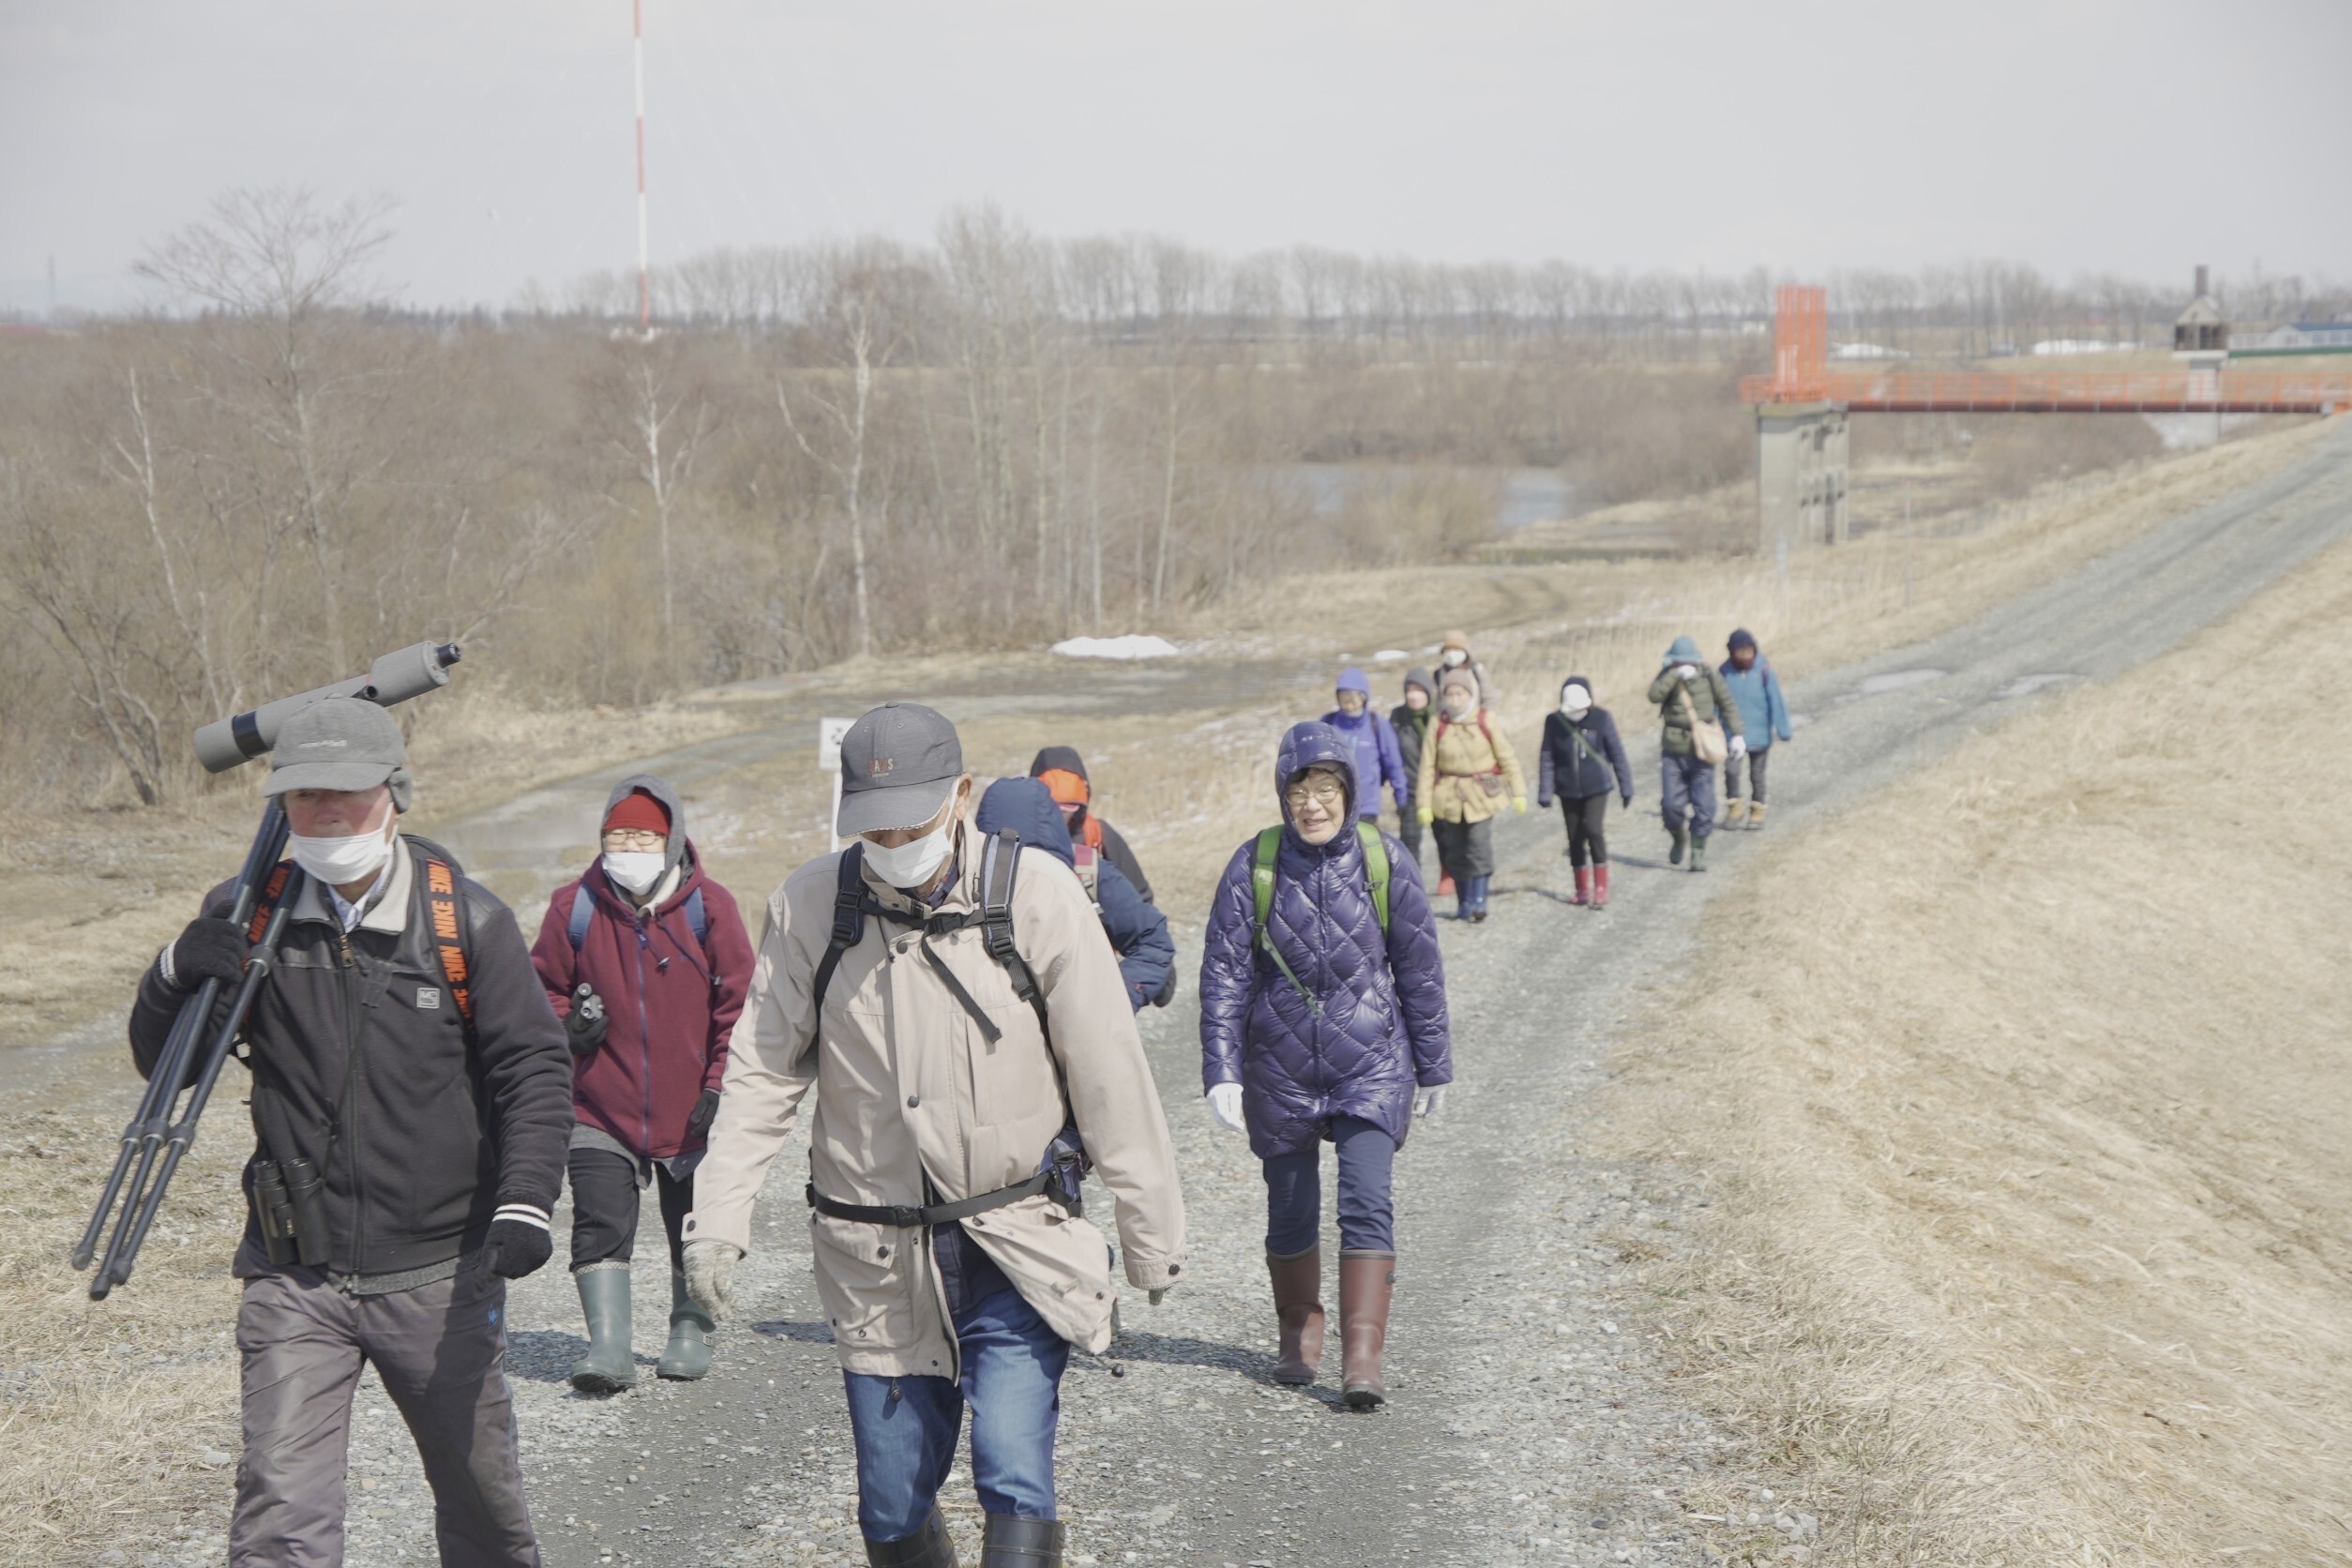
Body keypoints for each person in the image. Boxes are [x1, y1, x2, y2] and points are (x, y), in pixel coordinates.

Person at [682, 703, 1188, 1568]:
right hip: (875, 1255)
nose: (891, 841)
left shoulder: (1036, 895)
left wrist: (1152, 1236)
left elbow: (1111, 1074)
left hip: (1015, 1240)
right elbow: (761, 1073)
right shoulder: (812, 905)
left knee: (1014, 1472)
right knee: (889, 1501)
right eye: (871, 827)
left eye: (910, 822)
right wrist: (717, 1220)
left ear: (960, 795)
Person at [130, 698, 569, 1568]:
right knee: (279, 1519)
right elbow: (169, 1068)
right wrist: (175, 971)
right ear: (280, 805)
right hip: (294, 1273)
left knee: (482, 1510)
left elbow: (535, 1069)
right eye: (304, 797)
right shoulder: (248, 913)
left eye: (348, 795)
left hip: (441, 1273)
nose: (326, 814)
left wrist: (525, 1202)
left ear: (395, 795)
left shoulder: (465, 922)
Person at [1198, 721, 1451, 1410]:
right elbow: (1224, 973)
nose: (1314, 804)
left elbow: (1420, 972)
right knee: (1291, 1213)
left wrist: (1433, 1067)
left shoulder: (1384, 860)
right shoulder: (1255, 864)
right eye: (1301, 790)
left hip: (1371, 1062)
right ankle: (1296, 1338)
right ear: (1284, 796)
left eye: (1327, 788)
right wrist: (1221, 1069)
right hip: (1278, 1069)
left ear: (1349, 791)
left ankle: (1362, 1358)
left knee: (1367, 1203)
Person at [529, 776, 756, 1392]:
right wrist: (568, 1027)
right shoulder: (571, 907)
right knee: (599, 1220)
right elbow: (539, 988)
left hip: (692, 1111)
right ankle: (610, 1345)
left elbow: (740, 1005)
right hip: (599, 1105)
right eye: (616, 836)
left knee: (694, 1223)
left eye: (642, 837)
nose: (627, 848)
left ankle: (690, 1329)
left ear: (671, 839)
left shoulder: (713, 908)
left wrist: (718, 1084)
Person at [975, 776, 1174, 1012]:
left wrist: (1116, 1000)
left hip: (1086, 1029)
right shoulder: (964, 880)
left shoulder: (1087, 870)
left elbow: (1152, 940)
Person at [1414, 667, 1527, 922]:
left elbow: (1507, 757)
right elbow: (1427, 767)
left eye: (1460, 693)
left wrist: (1518, 791)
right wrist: (1423, 803)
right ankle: (1463, 902)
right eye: (1450, 694)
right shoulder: (1438, 723)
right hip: (1448, 797)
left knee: (1478, 847)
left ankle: (1479, 901)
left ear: (1470, 694)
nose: (1455, 699)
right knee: (1454, 851)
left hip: (1481, 795)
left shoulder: (1486, 720)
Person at [1647, 635, 1745, 873]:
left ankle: (1698, 853)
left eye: (1686, 662)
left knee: (1705, 806)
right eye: (1679, 662)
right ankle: (1678, 838)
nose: (1684, 665)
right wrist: (1673, 675)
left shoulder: (1709, 675)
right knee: (1671, 806)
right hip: (1673, 750)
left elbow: (1727, 703)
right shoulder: (1667, 675)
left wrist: (1738, 733)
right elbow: (1654, 696)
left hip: (1703, 750)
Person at [1535, 677, 1634, 910]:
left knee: (1594, 830)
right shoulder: (1554, 721)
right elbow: (1547, 755)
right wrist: (1545, 791)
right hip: (1567, 789)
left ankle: (1601, 888)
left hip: (1597, 787)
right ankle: (1581, 889)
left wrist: (1626, 786)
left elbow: (1616, 753)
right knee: (1575, 837)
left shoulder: (1602, 718)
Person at [1029, 746, 1154, 904]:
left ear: (1081, 804)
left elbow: (1140, 897)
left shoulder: (1098, 835)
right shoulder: (1018, 840)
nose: (1057, 815)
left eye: (1068, 807)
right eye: (1050, 806)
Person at [1718, 628, 1792, 830]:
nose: (1745, 655)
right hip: (1733, 736)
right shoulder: (1724, 672)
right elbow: (1718, 703)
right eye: (1741, 651)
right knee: (1731, 772)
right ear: (1732, 652)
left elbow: (1775, 700)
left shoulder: (1764, 670)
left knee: (1757, 775)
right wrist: (1714, 729)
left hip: (1760, 735)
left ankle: (1757, 811)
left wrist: (1783, 729)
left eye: (1749, 651)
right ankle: (1734, 809)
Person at [1319, 666, 1410, 824]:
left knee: (1364, 848)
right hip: (1333, 805)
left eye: (1353, 698)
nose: (1349, 704)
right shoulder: (1328, 723)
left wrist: (1401, 798)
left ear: (1364, 697)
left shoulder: (1377, 725)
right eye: (1344, 698)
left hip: (1366, 806)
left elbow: (1393, 763)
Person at [1389, 669, 1437, 869]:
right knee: (1409, 841)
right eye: (1409, 690)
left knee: (1447, 840)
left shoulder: (1439, 717)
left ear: (1428, 692)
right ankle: (1413, 883)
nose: (1413, 695)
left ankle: (1449, 874)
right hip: (1410, 790)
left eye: (1419, 690)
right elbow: (1388, 752)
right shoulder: (1398, 717)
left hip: (1438, 788)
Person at [1435, 629, 1498, 710]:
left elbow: (1489, 698)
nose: (1451, 653)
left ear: (1465, 651)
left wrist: (1484, 718)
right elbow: (1438, 702)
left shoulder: (1477, 670)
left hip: (1474, 720)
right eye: (1448, 649)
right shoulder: (1439, 673)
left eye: (1456, 649)